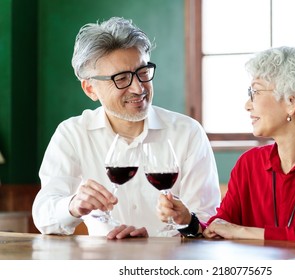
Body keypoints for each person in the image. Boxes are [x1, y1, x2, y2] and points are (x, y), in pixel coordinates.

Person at [32, 17, 220, 239]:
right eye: (121, 78)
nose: (138, 87)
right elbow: (44, 216)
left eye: (143, 72)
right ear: (90, 88)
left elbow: (206, 219)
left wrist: (170, 230)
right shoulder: (72, 134)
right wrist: (73, 205)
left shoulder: (187, 132)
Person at [158, 46, 295, 243]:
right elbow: (218, 227)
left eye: (255, 92)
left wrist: (240, 232)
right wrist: (188, 220)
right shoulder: (250, 163)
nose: (247, 105)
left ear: (291, 101)